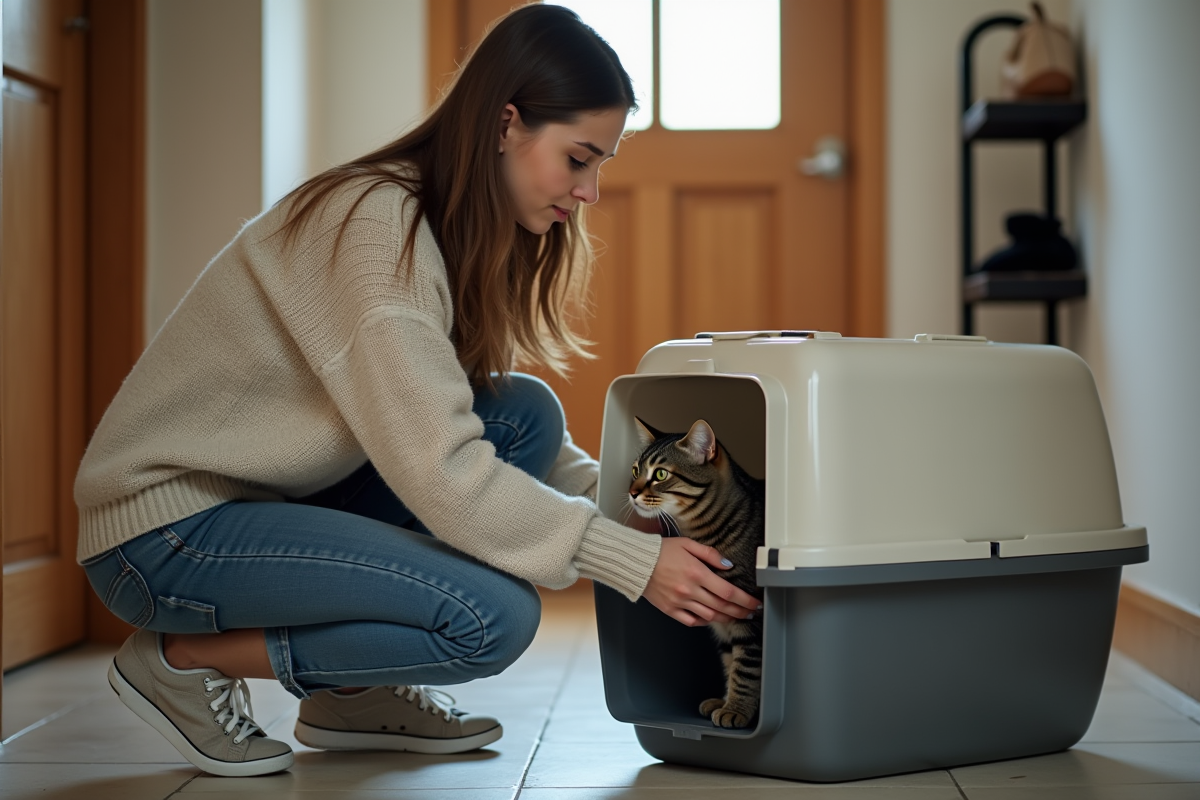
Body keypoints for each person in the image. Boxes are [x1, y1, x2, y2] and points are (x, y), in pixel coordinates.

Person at [75, 4, 761, 778]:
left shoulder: (445, 223)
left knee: (519, 412)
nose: (591, 191)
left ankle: (353, 694)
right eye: (578, 159)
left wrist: (649, 518)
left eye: (600, 165)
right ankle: (179, 657)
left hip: (267, 501)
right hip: (168, 533)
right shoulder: (378, 227)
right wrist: (630, 562)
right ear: (507, 124)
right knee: (489, 620)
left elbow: (453, 427)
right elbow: (441, 470)